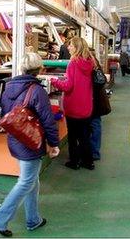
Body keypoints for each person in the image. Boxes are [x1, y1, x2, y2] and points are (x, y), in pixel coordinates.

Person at [0, 52, 60, 237]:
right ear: (40, 69)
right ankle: (0, 219)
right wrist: (53, 143)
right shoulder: (36, 91)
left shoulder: (8, 87)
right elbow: (47, 120)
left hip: (15, 139)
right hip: (30, 141)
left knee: (31, 180)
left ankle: (33, 219)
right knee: (26, 181)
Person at [51, 37, 94, 170]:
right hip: (86, 105)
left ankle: (74, 162)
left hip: (74, 105)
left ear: (76, 47)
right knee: (85, 136)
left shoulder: (73, 63)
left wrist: (54, 81)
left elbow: (68, 86)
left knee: (73, 136)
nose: (68, 47)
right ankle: (88, 162)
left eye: (70, 46)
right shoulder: (90, 62)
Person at [89, 49, 106, 161]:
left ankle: (91, 151)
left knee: (91, 125)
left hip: (90, 100)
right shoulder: (96, 64)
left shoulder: (88, 64)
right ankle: (95, 152)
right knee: (96, 125)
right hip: (97, 100)